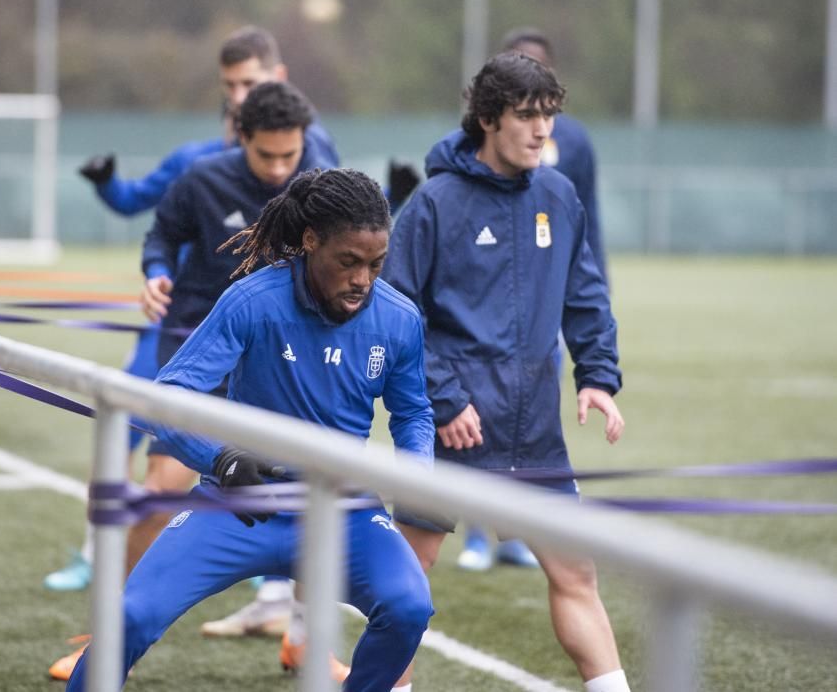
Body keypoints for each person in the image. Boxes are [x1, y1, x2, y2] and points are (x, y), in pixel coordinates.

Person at [65, 167, 436, 692]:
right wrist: (221, 458)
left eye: (376, 264)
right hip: (238, 505)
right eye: (349, 262)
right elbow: (165, 399)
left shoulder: (399, 319)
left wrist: (418, 470)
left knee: (409, 606)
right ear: (310, 242)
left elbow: (413, 412)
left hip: (341, 510)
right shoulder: (252, 301)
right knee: (129, 614)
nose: (363, 280)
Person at [49, 80, 335, 681]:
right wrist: (155, 273)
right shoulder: (201, 179)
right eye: (268, 156)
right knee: (160, 489)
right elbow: (162, 235)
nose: (283, 168)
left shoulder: (319, 183)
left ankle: (306, 640)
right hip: (201, 354)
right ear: (240, 137)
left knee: (315, 499)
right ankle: (107, 634)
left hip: (288, 359)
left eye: (292, 154)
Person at [382, 52, 630, 692]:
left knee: (575, 573)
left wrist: (597, 376)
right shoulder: (435, 202)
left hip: (533, 428)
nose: (541, 129)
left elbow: (585, 293)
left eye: (548, 115)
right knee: (408, 577)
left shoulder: (558, 194)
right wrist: (443, 398)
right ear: (488, 120)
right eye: (526, 116)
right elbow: (396, 311)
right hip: (451, 427)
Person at [459, 26, 611, 572]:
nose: (534, 123)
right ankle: (476, 533)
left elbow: (584, 231)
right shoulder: (451, 191)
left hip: (540, 311)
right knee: (471, 427)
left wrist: (596, 359)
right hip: (476, 334)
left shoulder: (571, 152)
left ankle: (517, 530)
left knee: (531, 418)